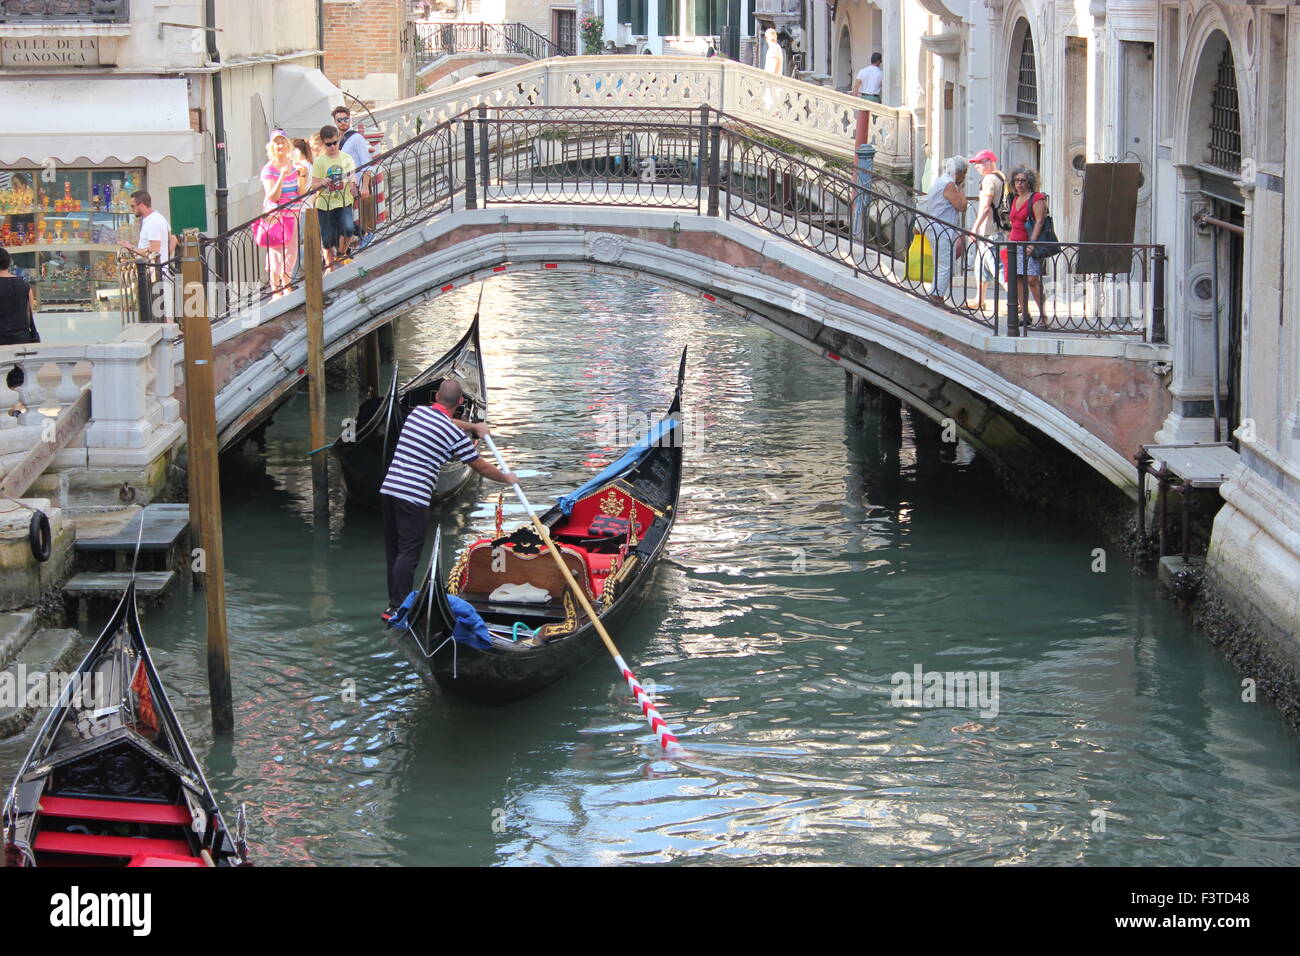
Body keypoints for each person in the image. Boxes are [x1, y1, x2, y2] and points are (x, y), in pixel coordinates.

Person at [380, 378, 517, 622]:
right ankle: (397, 608)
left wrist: (474, 427)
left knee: (395, 551)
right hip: (414, 497)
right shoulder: (454, 434)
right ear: (461, 401)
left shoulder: (417, 413)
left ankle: (393, 605)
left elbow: (445, 419)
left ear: (436, 398)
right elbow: (481, 467)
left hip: (389, 490)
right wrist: (506, 477)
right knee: (409, 554)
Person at [1002, 165, 1049, 328]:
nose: (1019, 183)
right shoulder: (1015, 198)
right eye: (1017, 180)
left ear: (1029, 182)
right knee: (1018, 279)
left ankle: (1043, 316)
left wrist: (1032, 243)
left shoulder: (1037, 198)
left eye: (1023, 180)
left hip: (1029, 244)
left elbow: (1040, 221)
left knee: (1032, 279)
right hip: (1014, 244)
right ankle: (1025, 314)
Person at [120, 191, 177, 321]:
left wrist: (131, 247)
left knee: (159, 313)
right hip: (160, 271)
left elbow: (153, 250)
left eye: (133, 206)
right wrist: (166, 258)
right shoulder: (158, 217)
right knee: (163, 311)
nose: (132, 209)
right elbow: (173, 239)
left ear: (141, 205)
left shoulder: (152, 222)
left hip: (154, 274)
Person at [919, 155, 968, 306]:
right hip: (942, 229)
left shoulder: (941, 180)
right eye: (964, 173)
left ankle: (935, 292)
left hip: (935, 227)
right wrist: (960, 188)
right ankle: (937, 296)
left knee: (940, 262)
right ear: (958, 172)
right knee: (946, 263)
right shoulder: (949, 185)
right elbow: (962, 206)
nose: (965, 176)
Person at [310, 125, 357, 271]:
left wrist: (353, 186)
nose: (332, 147)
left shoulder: (347, 158)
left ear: (339, 140)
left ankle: (341, 253)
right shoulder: (319, 161)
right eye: (328, 144)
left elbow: (352, 179)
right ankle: (330, 269)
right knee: (327, 239)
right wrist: (322, 183)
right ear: (323, 143)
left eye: (335, 143)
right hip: (325, 204)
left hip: (344, 200)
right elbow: (314, 186)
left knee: (349, 229)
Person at [260, 130, 301, 295]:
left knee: (291, 252)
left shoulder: (294, 164)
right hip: (276, 215)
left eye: (283, 142)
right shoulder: (268, 169)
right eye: (277, 143)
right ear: (272, 146)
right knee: (276, 252)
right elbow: (273, 196)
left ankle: (287, 285)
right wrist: (282, 177)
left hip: (293, 214)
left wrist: (303, 178)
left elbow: (301, 190)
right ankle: (277, 290)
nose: (281, 146)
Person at [966, 150, 1007, 310]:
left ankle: (1015, 302)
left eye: (980, 162)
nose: (977, 166)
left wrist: (974, 228)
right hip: (992, 230)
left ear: (990, 161)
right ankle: (979, 300)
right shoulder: (1000, 177)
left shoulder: (990, 179)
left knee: (998, 269)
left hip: (990, 231)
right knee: (980, 265)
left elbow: (985, 206)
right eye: (975, 163)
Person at [332, 106, 374, 250]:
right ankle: (352, 244)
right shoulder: (336, 140)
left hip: (351, 185)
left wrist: (364, 185)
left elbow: (367, 163)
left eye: (346, 119)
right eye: (340, 120)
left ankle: (363, 234)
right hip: (339, 186)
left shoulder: (356, 138)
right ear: (335, 121)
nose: (343, 122)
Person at [0, 246, 38, 397]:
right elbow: (30, 313)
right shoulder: (24, 284)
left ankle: (11, 409)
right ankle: (15, 407)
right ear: (8, 263)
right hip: (21, 338)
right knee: (18, 380)